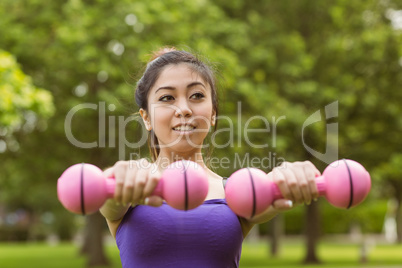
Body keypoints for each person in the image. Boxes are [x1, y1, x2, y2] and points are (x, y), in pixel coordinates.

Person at [100, 47, 321, 267]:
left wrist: (289, 174)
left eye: (196, 95)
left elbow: (270, 187)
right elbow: (108, 200)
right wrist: (115, 178)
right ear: (146, 118)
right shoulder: (128, 188)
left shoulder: (237, 193)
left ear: (213, 113)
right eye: (167, 97)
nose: (184, 109)